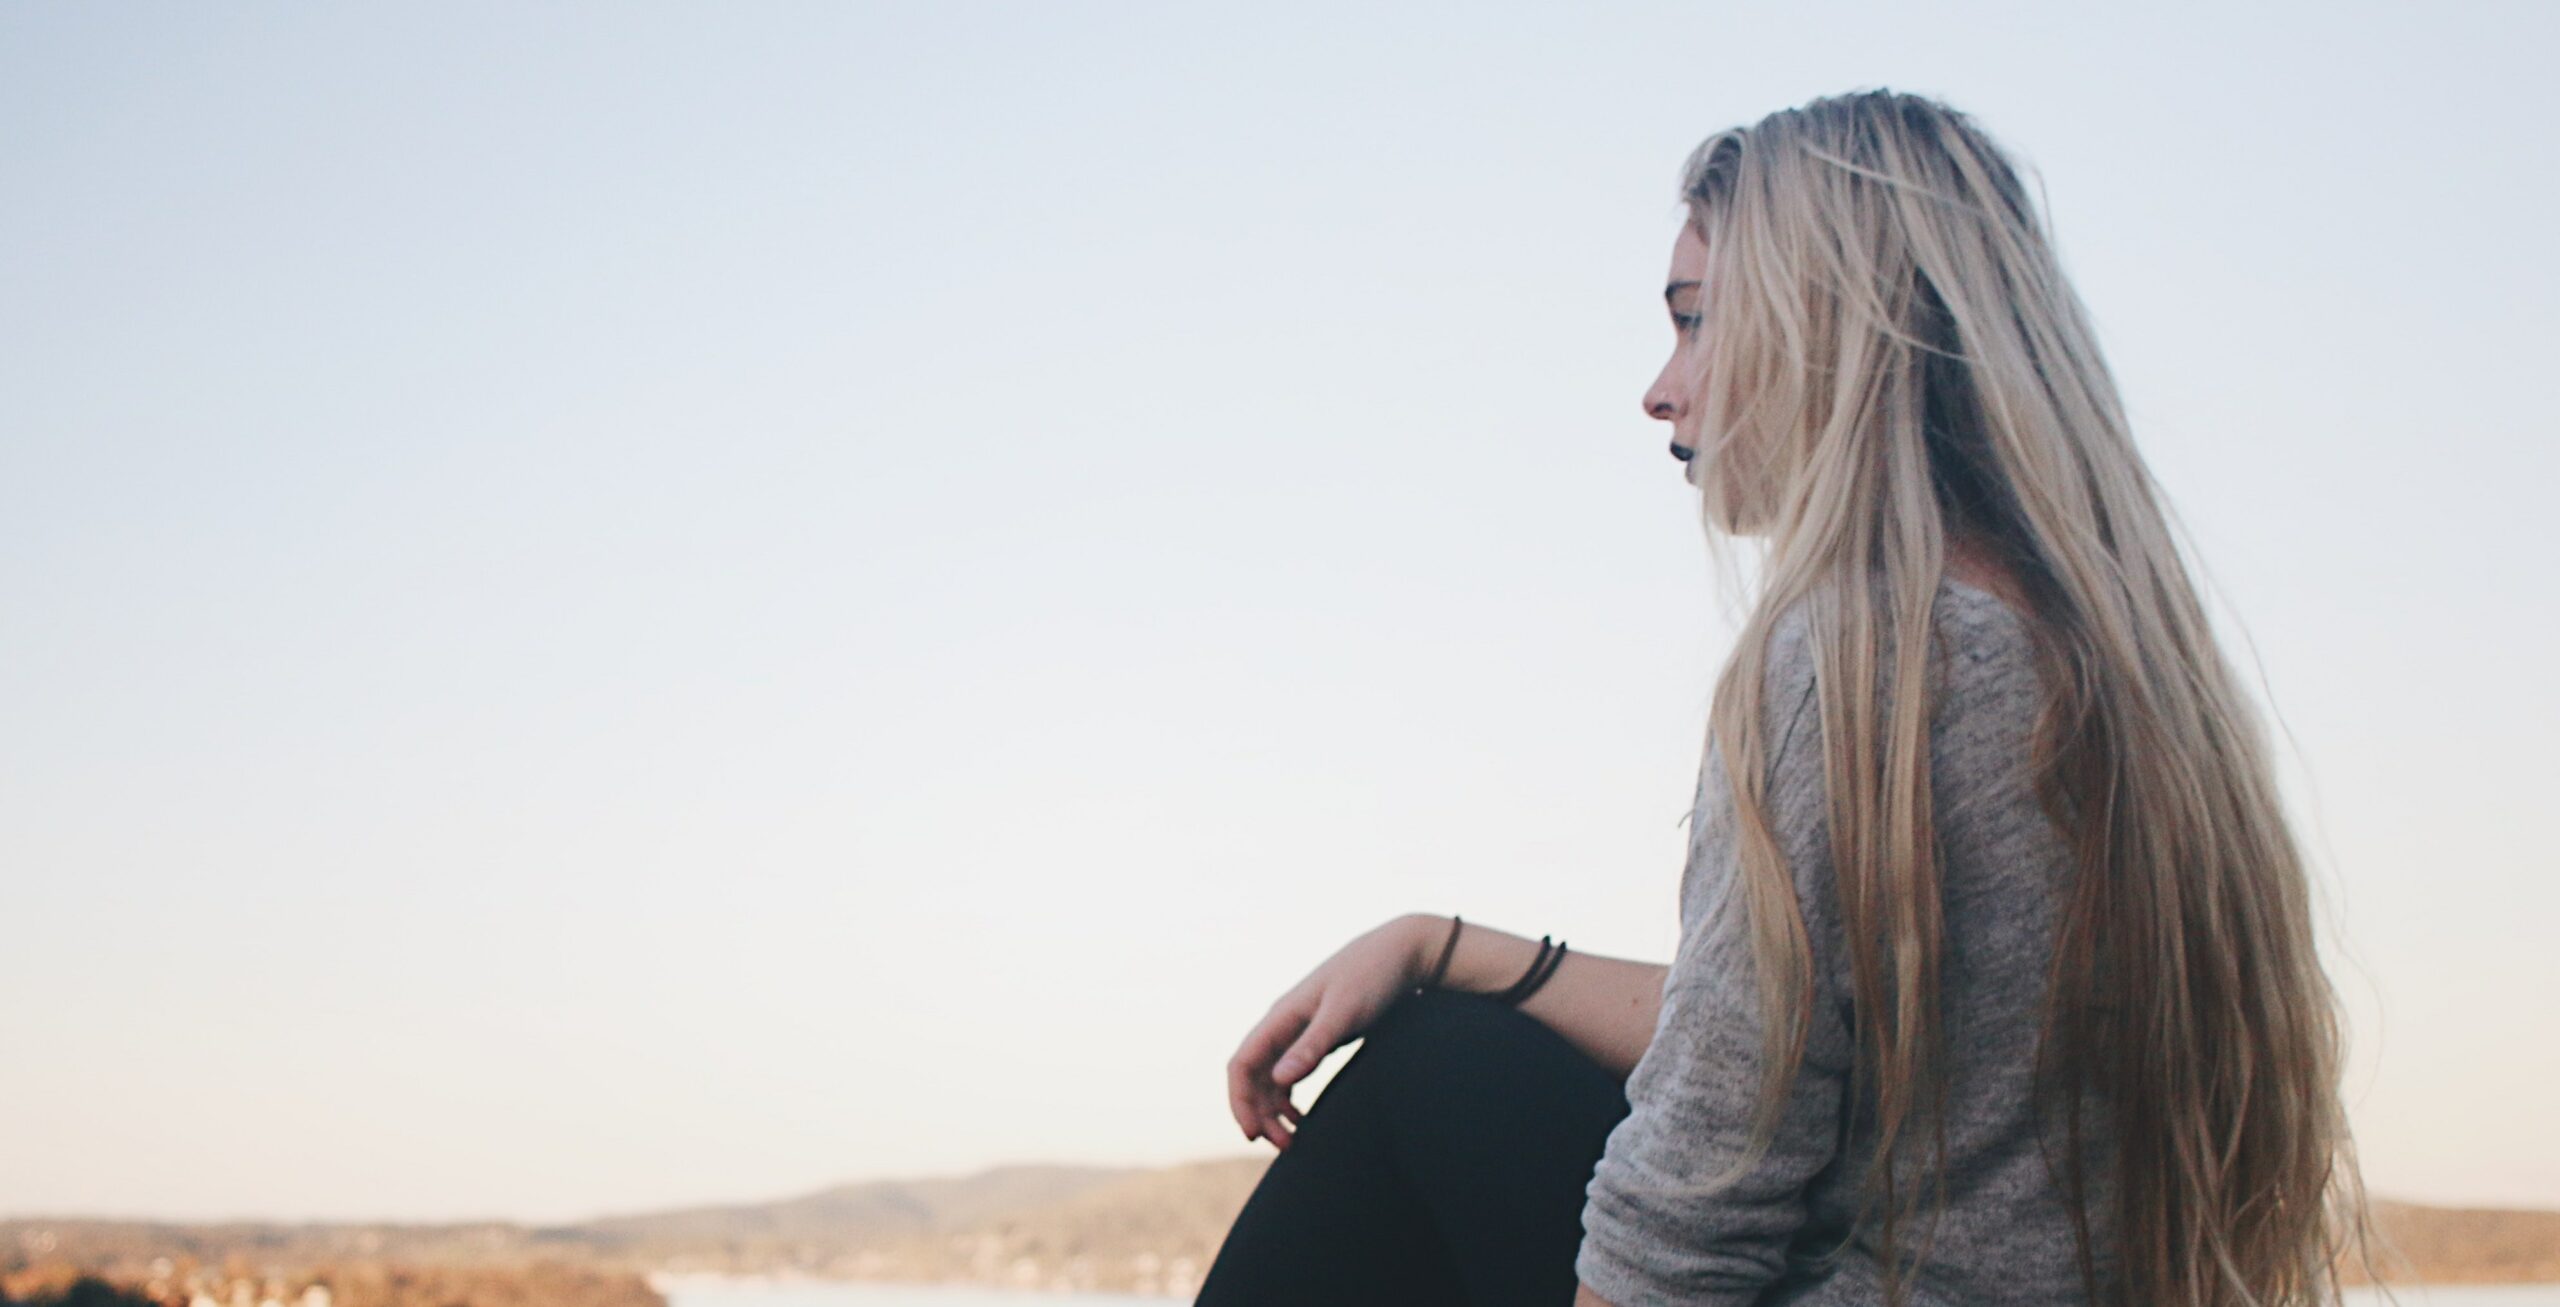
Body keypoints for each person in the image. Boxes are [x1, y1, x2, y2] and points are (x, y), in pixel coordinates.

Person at [1192, 87, 2392, 1307]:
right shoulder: (2110, 657)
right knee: (1453, 1029)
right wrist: (1440, 945)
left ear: (1829, 328)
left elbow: (1694, 1198)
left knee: (1430, 1073)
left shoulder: (1861, 656)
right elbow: (1769, 1034)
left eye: (1698, 320)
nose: (1663, 389)